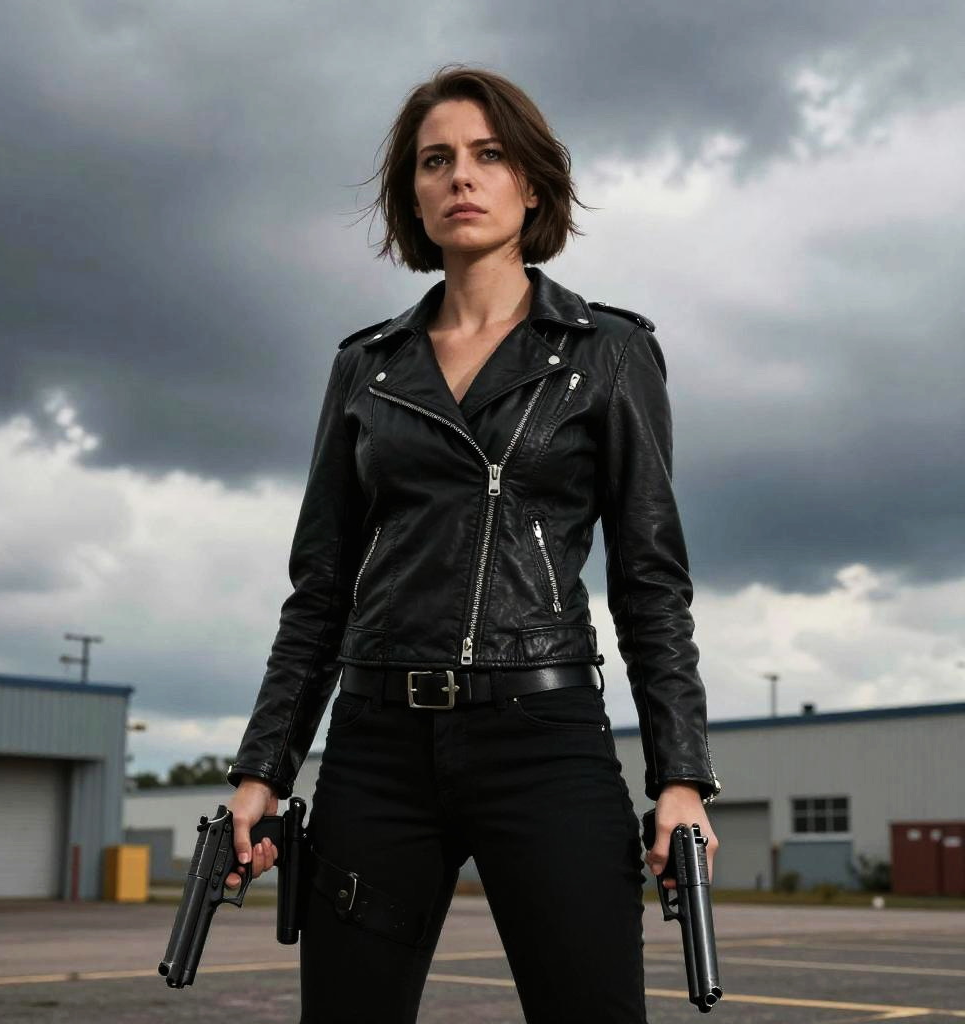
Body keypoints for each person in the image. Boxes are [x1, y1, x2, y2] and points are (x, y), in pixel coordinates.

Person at [223, 64, 721, 1024]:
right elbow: (319, 588)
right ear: (413, 192)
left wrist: (682, 777)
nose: (462, 177)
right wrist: (262, 771)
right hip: (377, 746)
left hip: (543, 738)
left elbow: (652, 580)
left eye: (489, 156)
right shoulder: (366, 369)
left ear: (531, 184)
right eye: (436, 160)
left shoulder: (605, 354)